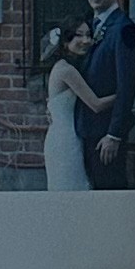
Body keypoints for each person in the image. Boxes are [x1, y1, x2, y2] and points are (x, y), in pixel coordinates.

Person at [76, 0, 135, 186]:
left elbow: (127, 84)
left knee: (110, 188)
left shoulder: (124, 29)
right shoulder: (91, 25)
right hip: (87, 128)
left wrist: (114, 135)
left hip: (106, 134)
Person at [42, 19, 107, 193]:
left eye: (88, 35)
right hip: (65, 141)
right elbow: (96, 104)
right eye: (79, 35)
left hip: (65, 136)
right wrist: (124, 95)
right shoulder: (66, 70)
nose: (86, 40)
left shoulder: (66, 67)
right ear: (65, 41)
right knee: (71, 189)